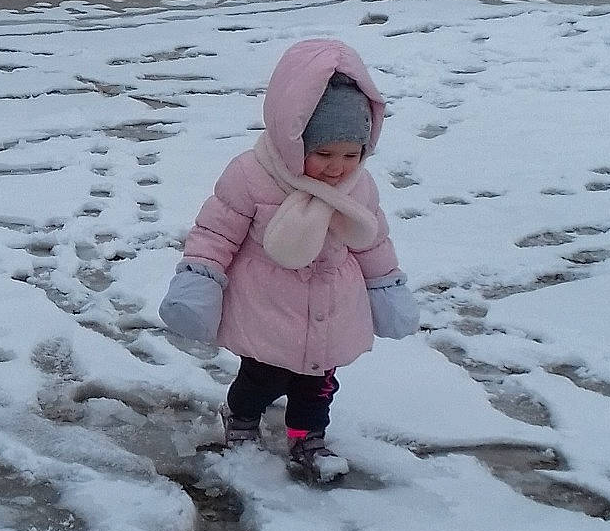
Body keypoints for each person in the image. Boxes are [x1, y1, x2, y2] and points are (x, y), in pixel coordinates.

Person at [158, 37, 418, 482]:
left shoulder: (359, 187)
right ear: (293, 139)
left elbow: (373, 241)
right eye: (323, 154)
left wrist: (387, 286)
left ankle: (306, 436)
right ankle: (240, 420)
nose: (337, 168)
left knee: (317, 386)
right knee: (260, 377)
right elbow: (216, 232)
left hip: (334, 306)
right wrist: (200, 278)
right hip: (268, 307)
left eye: (350, 155)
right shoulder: (251, 175)